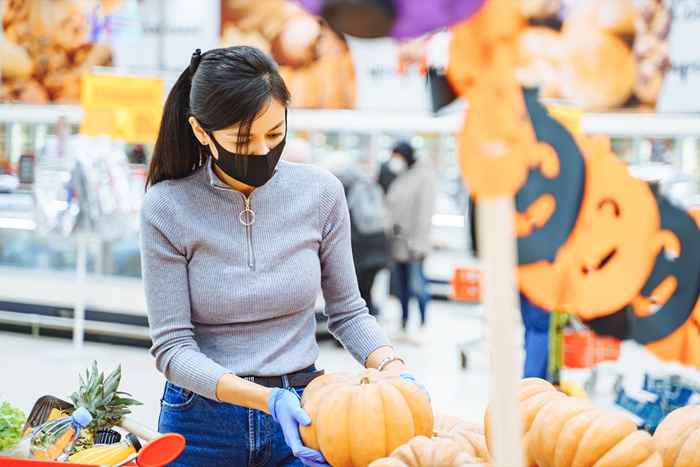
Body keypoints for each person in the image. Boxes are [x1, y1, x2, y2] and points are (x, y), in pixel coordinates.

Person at [140, 46, 427, 467]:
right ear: (201, 132)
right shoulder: (167, 208)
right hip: (202, 425)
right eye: (242, 140)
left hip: (307, 414)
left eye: (275, 135)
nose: (261, 151)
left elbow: (347, 312)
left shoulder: (321, 193)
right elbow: (173, 348)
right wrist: (266, 400)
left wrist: (393, 366)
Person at [327, 152, 389, 318]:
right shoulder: (369, 184)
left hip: (359, 250)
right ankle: (369, 326)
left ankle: (359, 329)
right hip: (376, 246)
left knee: (353, 293)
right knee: (365, 291)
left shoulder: (344, 186)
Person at [385, 140, 436, 341]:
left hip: (415, 244)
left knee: (418, 285)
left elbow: (424, 212)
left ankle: (423, 324)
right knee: (402, 286)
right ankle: (404, 323)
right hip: (399, 243)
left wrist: (418, 243)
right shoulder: (402, 175)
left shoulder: (424, 177)